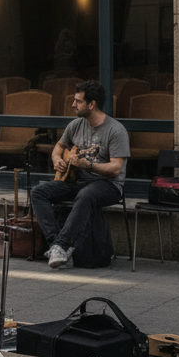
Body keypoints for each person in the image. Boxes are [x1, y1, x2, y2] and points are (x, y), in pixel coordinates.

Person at [31, 80, 129, 269]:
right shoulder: (75, 125)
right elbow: (59, 147)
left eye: (78, 101)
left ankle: (62, 245)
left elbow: (116, 168)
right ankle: (55, 245)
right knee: (38, 192)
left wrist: (89, 165)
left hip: (108, 185)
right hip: (77, 180)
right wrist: (56, 159)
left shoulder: (116, 130)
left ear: (91, 104)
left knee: (86, 195)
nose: (73, 104)